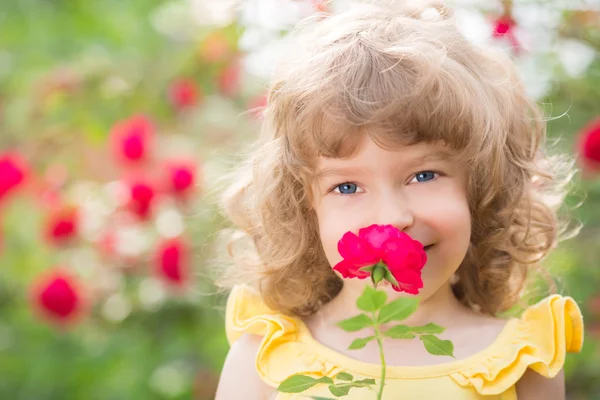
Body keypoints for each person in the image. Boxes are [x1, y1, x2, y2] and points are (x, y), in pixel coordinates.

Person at [214, 1, 584, 399]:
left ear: (479, 185)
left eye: (423, 175)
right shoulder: (267, 357)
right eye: (347, 187)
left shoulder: (522, 360)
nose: (392, 218)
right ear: (307, 209)